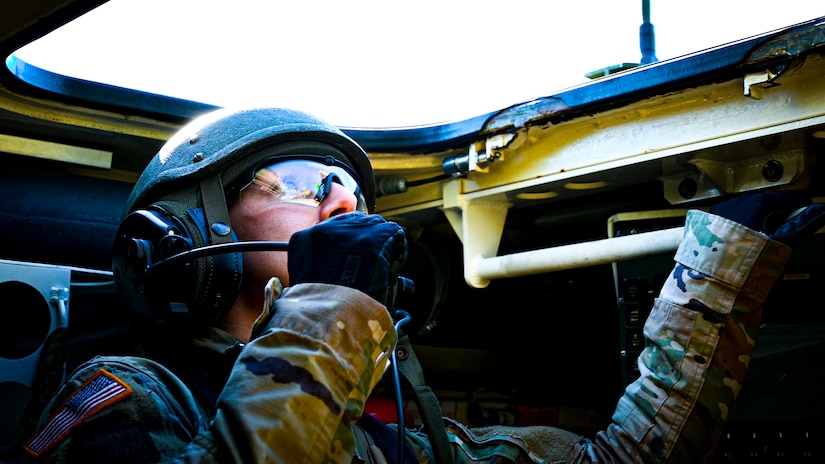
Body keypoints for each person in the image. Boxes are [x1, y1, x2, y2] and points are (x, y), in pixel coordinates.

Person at [18, 105, 825, 463]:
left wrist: (721, 266)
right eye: (296, 182)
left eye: (351, 191)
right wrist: (330, 312)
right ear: (195, 230)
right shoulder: (126, 398)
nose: (343, 201)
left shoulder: (404, 431)